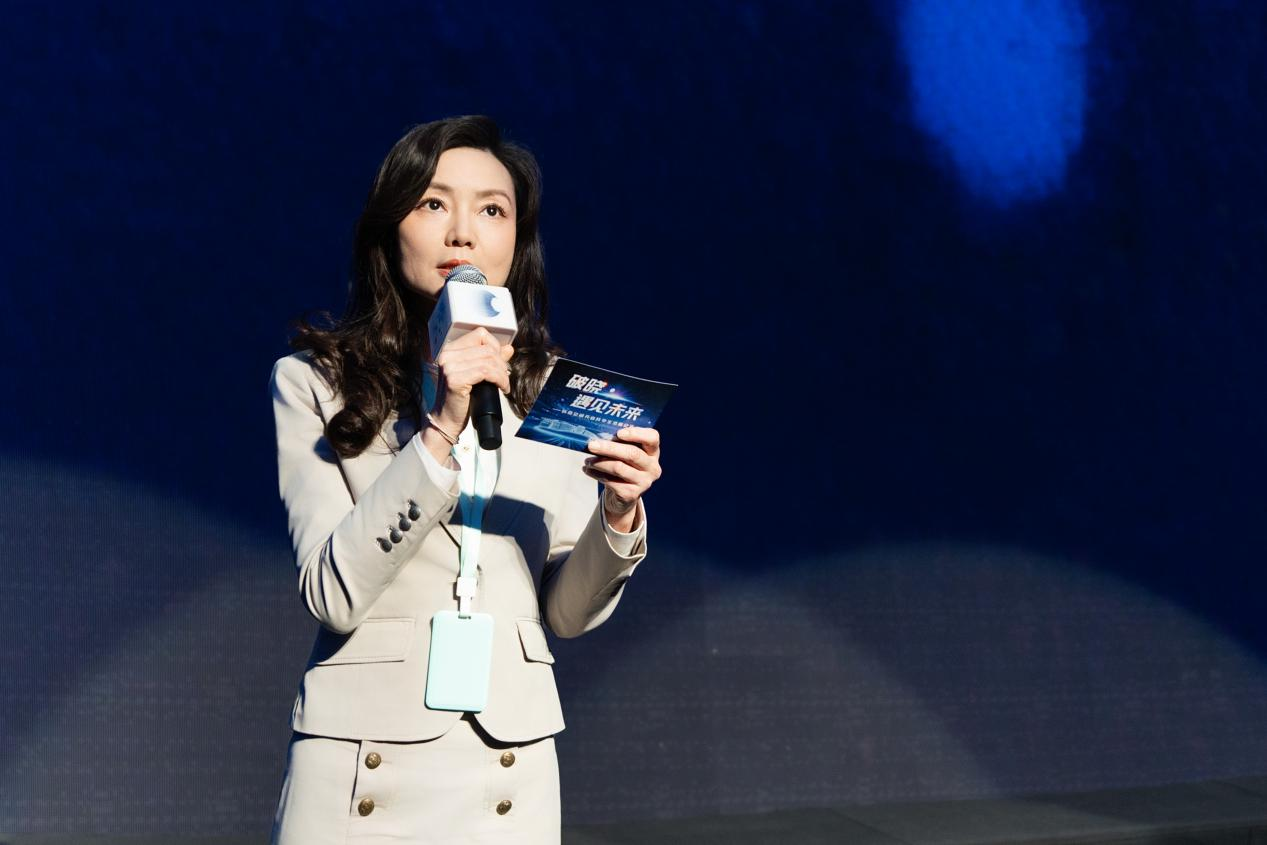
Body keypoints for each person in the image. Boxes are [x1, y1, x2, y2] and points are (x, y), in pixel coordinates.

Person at [268, 115, 663, 844]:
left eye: (491, 210)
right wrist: (441, 429)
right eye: (432, 203)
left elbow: (567, 615)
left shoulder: (549, 392)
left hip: (507, 771)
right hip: (363, 764)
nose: (463, 233)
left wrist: (617, 514)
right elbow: (332, 594)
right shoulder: (314, 383)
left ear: (517, 241)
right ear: (391, 226)